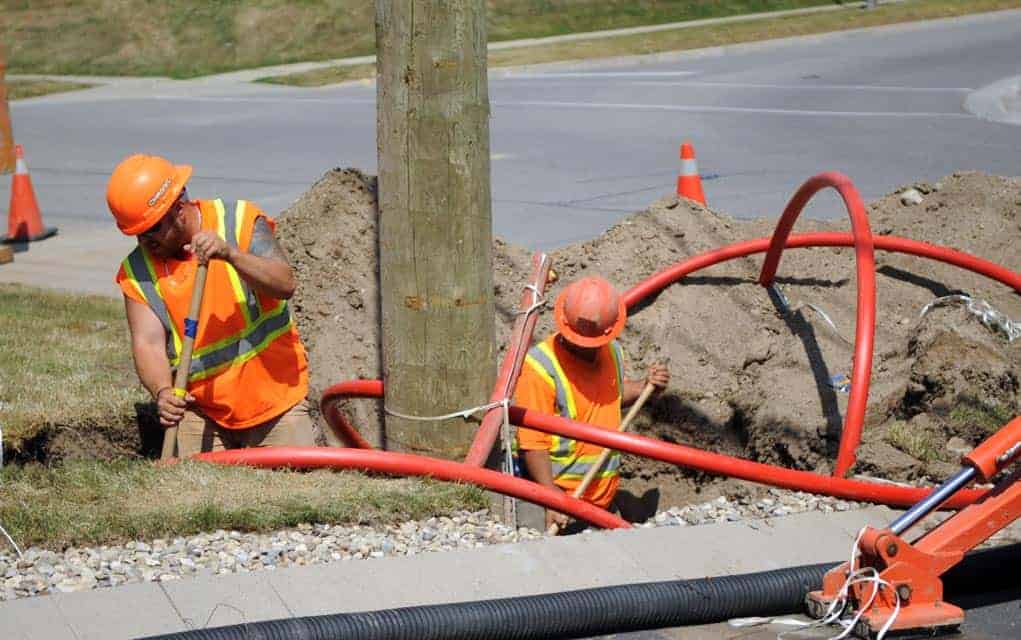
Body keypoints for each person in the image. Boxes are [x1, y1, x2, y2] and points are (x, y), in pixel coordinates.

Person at [107, 153, 314, 458]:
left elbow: (285, 284)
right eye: (136, 233)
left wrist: (232, 255)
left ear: (178, 208)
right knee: (196, 497)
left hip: (276, 401)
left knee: (298, 492)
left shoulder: (239, 221)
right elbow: (147, 343)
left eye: (152, 229)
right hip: (200, 414)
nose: (144, 241)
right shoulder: (138, 271)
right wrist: (163, 392)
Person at [515, 276, 670, 531]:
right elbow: (533, 444)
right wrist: (552, 499)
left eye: (594, 342)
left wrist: (645, 386)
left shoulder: (612, 352)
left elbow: (612, 396)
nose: (587, 347)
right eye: (581, 341)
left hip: (602, 500)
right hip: (564, 501)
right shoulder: (541, 368)